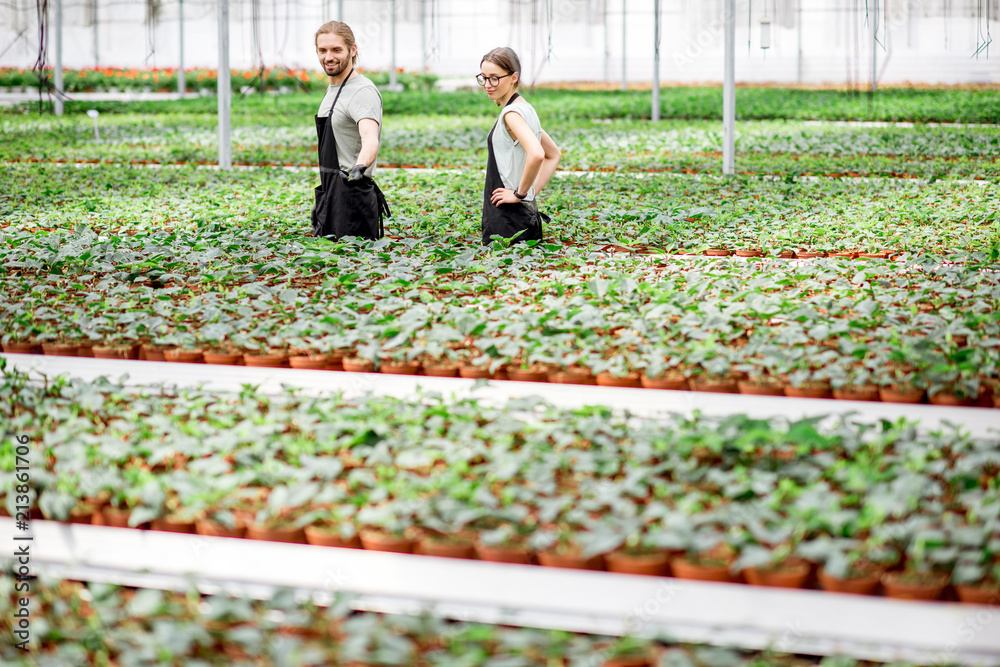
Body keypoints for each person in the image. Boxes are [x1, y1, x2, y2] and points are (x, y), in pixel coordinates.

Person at [311, 21, 390, 240]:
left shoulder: (361, 91)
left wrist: (358, 168)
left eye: (336, 50)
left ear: (352, 50)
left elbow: (370, 139)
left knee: (353, 269)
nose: (329, 57)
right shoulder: (334, 89)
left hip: (351, 194)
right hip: (330, 193)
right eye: (322, 50)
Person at [478, 47, 561, 246]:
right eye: (483, 78)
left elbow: (537, 154)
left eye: (494, 78)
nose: (487, 85)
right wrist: (528, 193)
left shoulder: (512, 115)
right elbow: (554, 154)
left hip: (508, 220)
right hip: (525, 216)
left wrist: (519, 194)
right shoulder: (526, 109)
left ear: (514, 77)